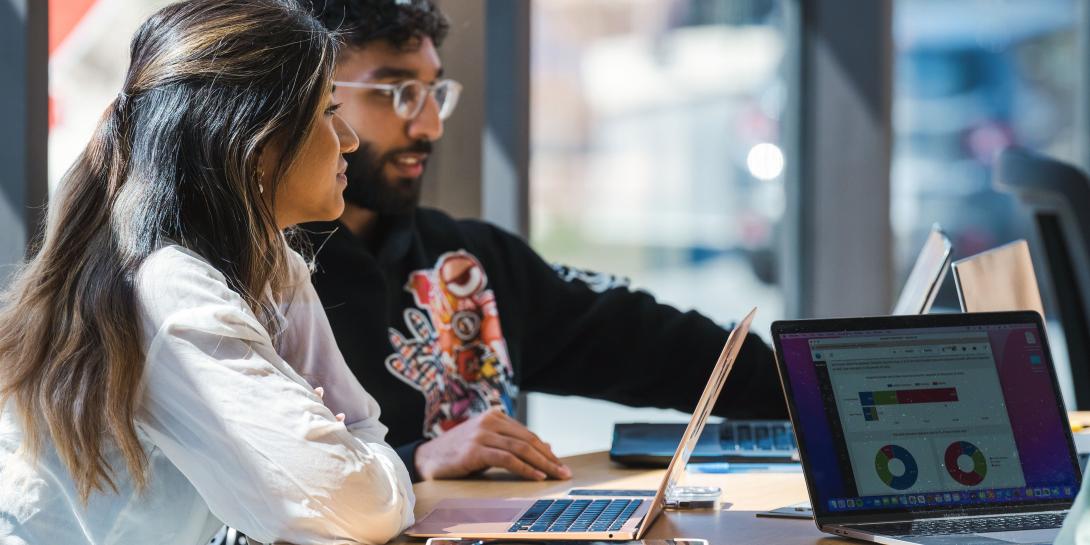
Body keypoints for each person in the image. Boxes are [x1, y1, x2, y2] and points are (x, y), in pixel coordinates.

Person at [306, 0, 788, 484]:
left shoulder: (470, 260)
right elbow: (273, 483)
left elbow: (649, 342)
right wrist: (417, 460)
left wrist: (816, 395)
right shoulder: (257, 274)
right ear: (306, 97)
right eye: (398, 92)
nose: (430, 125)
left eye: (432, 91)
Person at [0, 1, 414, 544]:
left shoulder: (273, 267)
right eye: (327, 112)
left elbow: (358, 442)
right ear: (255, 141)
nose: (350, 141)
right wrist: (356, 460)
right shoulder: (165, 288)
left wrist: (350, 456)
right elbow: (356, 506)